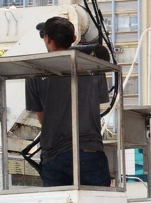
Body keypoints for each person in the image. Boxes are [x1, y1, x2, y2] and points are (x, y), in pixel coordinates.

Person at [25, 17, 111, 187]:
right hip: (90, 151)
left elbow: (42, 118)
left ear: (47, 39)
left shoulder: (35, 71)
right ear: (74, 38)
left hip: (54, 155)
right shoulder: (93, 66)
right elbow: (100, 103)